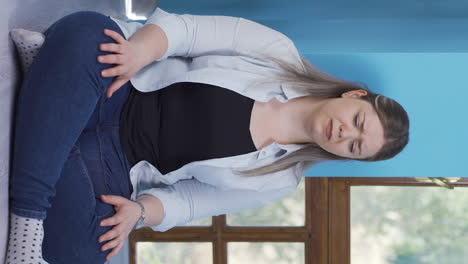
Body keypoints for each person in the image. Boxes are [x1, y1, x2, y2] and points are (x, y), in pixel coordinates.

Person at [6, 7, 409, 264]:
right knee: (89, 33)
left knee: (86, 250)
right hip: (120, 90)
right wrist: (139, 53)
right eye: (358, 120)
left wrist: (139, 213)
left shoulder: (277, 181)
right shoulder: (278, 52)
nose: (344, 133)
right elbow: (186, 32)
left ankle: (50, 84)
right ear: (354, 95)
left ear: (346, 157)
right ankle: (29, 213)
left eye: (354, 146)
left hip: (114, 165)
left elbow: (187, 201)